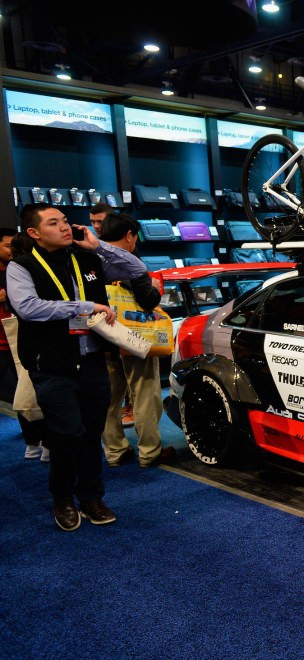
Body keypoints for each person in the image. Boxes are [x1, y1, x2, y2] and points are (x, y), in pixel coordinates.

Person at [6, 203, 147, 531]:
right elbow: (29, 308)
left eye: (66, 221)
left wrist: (100, 246)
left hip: (94, 361)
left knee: (90, 435)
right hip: (53, 366)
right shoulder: (22, 267)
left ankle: (91, 496)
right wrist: (85, 306)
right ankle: (63, 498)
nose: (65, 227)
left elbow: (136, 269)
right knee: (67, 434)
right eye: (54, 223)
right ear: (34, 233)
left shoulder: (87, 257)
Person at [99, 213, 175, 469]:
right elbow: (148, 300)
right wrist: (154, 286)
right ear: (129, 235)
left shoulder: (91, 258)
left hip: (103, 337)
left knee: (109, 397)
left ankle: (115, 452)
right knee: (144, 394)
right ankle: (149, 452)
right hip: (135, 338)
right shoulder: (131, 262)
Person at [0, 228, 51, 460]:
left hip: (22, 341)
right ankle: (37, 442)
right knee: (32, 392)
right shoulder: (23, 270)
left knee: (31, 391)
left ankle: (41, 443)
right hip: (24, 342)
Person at [90, 202, 135, 426]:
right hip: (110, 331)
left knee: (119, 386)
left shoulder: (127, 253)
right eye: (93, 222)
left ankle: (117, 446)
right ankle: (143, 451)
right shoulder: (89, 254)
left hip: (126, 329)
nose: (97, 226)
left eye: (100, 221)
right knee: (113, 387)